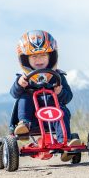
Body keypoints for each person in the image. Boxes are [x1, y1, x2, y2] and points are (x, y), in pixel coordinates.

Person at [10, 30, 79, 160]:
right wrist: (20, 85)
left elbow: (68, 97)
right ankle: (24, 124)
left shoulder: (58, 76)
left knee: (62, 110)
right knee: (24, 98)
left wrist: (60, 92)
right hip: (33, 119)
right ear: (26, 59)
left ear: (51, 56)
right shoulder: (22, 78)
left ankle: (66, 144)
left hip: (54, 117)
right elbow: (14, 94)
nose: (39, 60)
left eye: (43, 55)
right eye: (34, 57)